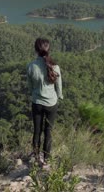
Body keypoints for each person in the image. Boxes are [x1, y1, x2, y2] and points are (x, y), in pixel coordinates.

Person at [27, 38, 63, 167]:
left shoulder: (31, 66)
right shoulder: (55, 67)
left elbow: (30, 87)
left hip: (37, 102)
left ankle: (37, 157)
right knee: (48, 131)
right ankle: (46, 159)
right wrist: (59, 97)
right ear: (49, 49)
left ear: (36, 50)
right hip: (51, 103)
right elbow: (59, 87)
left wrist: (35, 94)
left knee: (37, 131)